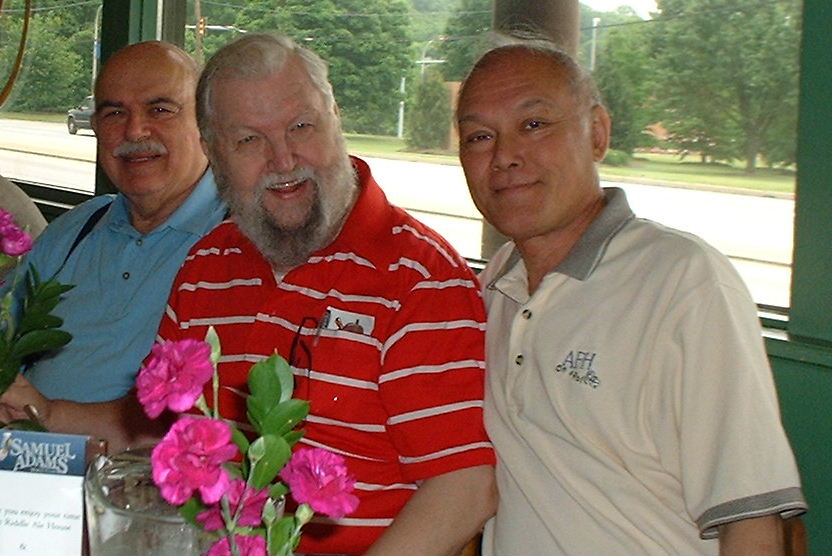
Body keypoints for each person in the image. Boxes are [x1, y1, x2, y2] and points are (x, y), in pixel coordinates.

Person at [455, 35, 808, 556]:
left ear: (597, 133)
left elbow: (753, 519)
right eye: (480, 137)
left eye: (534, 124)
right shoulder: (493, 289)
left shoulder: (683, 281)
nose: (505, 156)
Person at [154, 33, 496, 555]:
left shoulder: (420, 280)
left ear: (335, 117)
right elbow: (171, 443)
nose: (283, 159)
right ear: (211, 150)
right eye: (248, 140)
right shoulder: (205, 267)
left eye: (301, 127)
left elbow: (465, 487)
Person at [0, 41, 227, 445]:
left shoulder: (241, 242)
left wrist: (48, 418)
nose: (135, 131)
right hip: (25, 462)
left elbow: (206, 419)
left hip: (140, 476)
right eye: (114, 113)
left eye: (160, 110)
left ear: (207, 124)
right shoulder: (77, 230)